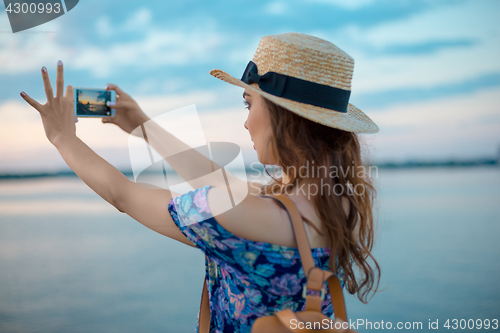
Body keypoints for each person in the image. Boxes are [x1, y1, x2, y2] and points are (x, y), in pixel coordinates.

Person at [20, 32, 380, 332]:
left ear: (283, 116)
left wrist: (62, 138)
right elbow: (230, 187)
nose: (245, 122)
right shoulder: (339, 200)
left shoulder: (236, 213)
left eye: (248, 104)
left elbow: (124, 195)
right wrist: (144, 127)